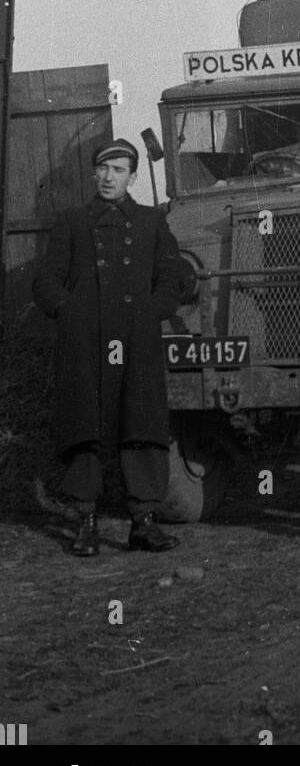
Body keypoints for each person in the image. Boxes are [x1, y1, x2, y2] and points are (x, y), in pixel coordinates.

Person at [33, 139, 184, 556]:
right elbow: (45, 281)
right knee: (87, 430)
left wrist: (153, 311)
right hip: (86, 342)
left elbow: (171, 279)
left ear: (132, 177)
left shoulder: (152, 222)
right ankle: (86, 524)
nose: (108, 177)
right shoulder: (72, 222)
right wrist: (70, 312)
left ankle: (144, 523)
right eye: (102, 169)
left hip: (137, 341)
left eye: (118, 170)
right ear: (94, 173)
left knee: (142, 428)